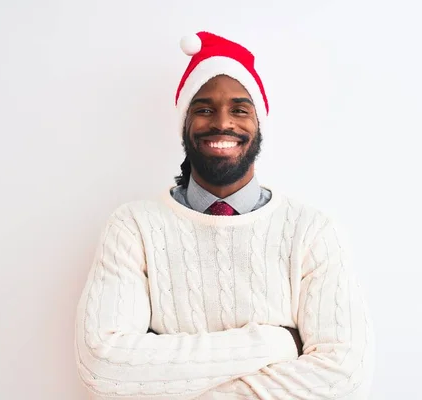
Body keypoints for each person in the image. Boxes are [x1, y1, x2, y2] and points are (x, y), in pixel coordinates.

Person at [74, 31, 374, 399]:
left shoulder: (311, 231)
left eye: (239, 109)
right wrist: (275, 343)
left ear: (258, 122)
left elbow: (344, 378)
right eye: (203, 109)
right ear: (185, 124)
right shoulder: (134, 227)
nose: (222, 122)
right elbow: (104, 367)